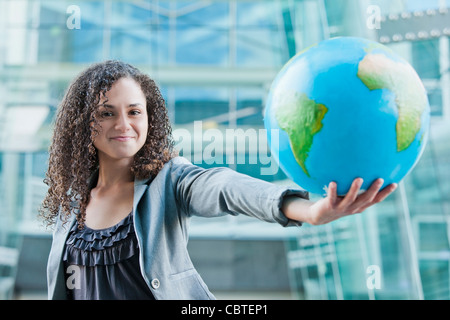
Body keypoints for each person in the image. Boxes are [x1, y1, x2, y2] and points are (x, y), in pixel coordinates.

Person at [40, 60, 397, 300]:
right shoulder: (73, 203)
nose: (123, 125)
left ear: (150, 118)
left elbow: (225, 188)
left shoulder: (170, 181)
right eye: (106, 113)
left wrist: (306, 210)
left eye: (134, 111)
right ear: (83, 123)